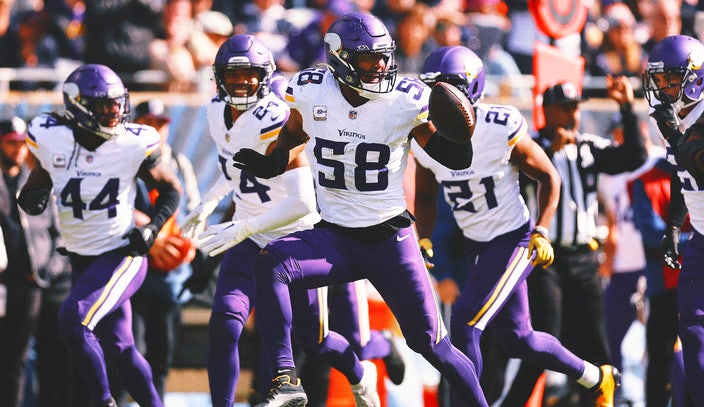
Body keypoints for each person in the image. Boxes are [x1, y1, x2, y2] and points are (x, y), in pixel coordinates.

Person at [232, 11, 490, 407]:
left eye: (385, 57)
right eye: (370, 59)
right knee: (271, 263)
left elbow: (449, 158)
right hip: (335, 236)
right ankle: (285, 378)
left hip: (390, 240)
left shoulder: (405, 100)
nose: (381, 66)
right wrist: (273, 160)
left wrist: (461, 138)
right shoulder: (311, 89)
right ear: (340, 59)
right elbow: (293, 134)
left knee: (432, 345)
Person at [180, 33, 390, 407]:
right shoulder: (216, 110)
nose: (242, 83)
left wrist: (243, 225)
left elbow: (303, 203)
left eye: (250, 75)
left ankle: (360, 372)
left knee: (317, 339)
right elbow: (234, 164)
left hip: (294, 241)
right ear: (218, 78)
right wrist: (210, 202)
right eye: (234, 75)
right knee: (225, 323)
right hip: (247, 240)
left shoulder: (277, 119)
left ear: (266, 77)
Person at [413, 45, 621, 407]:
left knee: (464, 323)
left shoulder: (498, 126)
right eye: (433, 89)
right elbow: (427, 195)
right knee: (519, 338)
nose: (438, 100)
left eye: (446, 90)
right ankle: (596, 376)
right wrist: (426, 237)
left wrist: (541, 229)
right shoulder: (426, 138)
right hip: (476, 244)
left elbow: (548, 177)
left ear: (469, 89)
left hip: (512, 239)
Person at [17, 63, 183, 407]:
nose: (113, 112)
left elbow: (171, 191)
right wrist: (32, 198)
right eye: (102, 104)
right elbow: (37, 187)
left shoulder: (132, 143)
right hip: (82, 259)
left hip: (121, 254)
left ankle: (104, 401)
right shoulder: (51, 136)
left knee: (73, 319)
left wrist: (153, 228)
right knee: (121, 348)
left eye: (116, 103)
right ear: (77, 104)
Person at [504, 75, 647, 407]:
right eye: (564, 108)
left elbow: (633, 158)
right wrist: (543, 154)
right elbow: (506, 175)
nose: (572, 115)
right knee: (542, 342)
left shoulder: (588, 147)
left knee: (597, 347)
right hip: (545, 260)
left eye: (575, 108)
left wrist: (626, 107)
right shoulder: (529, 146)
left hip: (584, 259)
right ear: (547, 112)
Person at [109, 99, 199, 405]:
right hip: (131, 271)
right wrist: (150, 234)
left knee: (161, 357)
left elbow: (192, 213)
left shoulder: (180, 163)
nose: (155, 129)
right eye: (148, 122)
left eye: (160, 123)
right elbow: (113, 208)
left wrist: (188, 246)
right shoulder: (125, 162)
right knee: (128, 351)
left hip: (169, 278)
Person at [643, 34, 704, 405]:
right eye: (659, 80)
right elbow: (682, 176)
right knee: (692, 329)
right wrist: (672, 228)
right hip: (698, 236)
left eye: (671, 79)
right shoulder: (679, 117)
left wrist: (673, 134)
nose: (664, 88)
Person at [0, 116, 73, 407]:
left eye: (21, 143)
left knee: (52, 358)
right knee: (12, 359)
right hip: (10, 285)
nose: (17, 149)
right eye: (10, 143)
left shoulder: (35, 180)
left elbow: (57, 234)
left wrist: (46, 271)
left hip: (41, 284)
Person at [628, 145, 694, 406]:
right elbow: (655, 237)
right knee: (660, 362)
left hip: (695, 284)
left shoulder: (696, 172)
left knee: (696, 360)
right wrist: (698, 239)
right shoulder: (645, 182)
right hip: (664, 287)